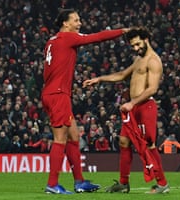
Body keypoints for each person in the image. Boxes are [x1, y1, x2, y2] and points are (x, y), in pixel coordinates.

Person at [41, 9, 130, 194]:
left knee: (74, 136)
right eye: (76, 20)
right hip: (58, 94)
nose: (79, 23)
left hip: (52, 93)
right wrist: (122, 31)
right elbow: (97, 37)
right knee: (60, 140)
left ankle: (79, 181)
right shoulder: (68, 37)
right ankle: (52, 184)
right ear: (66, 23)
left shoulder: (51, 41)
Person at [83, 27, 169, 194]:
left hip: (145, 107)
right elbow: (122, 74)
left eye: (137, 44)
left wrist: (132, 102)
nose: (136, 49)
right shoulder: (139, 59)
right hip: (133, 107)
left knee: (148, 145)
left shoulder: (153, 60)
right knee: (123, 141)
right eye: (133, 46)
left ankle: (162, 184)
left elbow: (152, 89)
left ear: (146, 39)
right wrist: (99, 79)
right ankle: (123, 183)